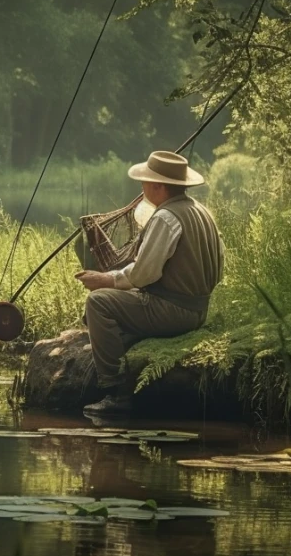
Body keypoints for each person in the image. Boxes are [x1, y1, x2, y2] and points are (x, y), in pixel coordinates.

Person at [73, 151, 223, 414]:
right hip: (199, 311)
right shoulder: (201, 212)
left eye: (145, 181)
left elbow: (143, 275)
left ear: (158, 186)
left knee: (97, 303)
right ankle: (125, 344)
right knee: (108, 309)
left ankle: (115, 391)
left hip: (174, 312)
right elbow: (220, 270)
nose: (141, 187)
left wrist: (104, 280)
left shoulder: (166, 218)